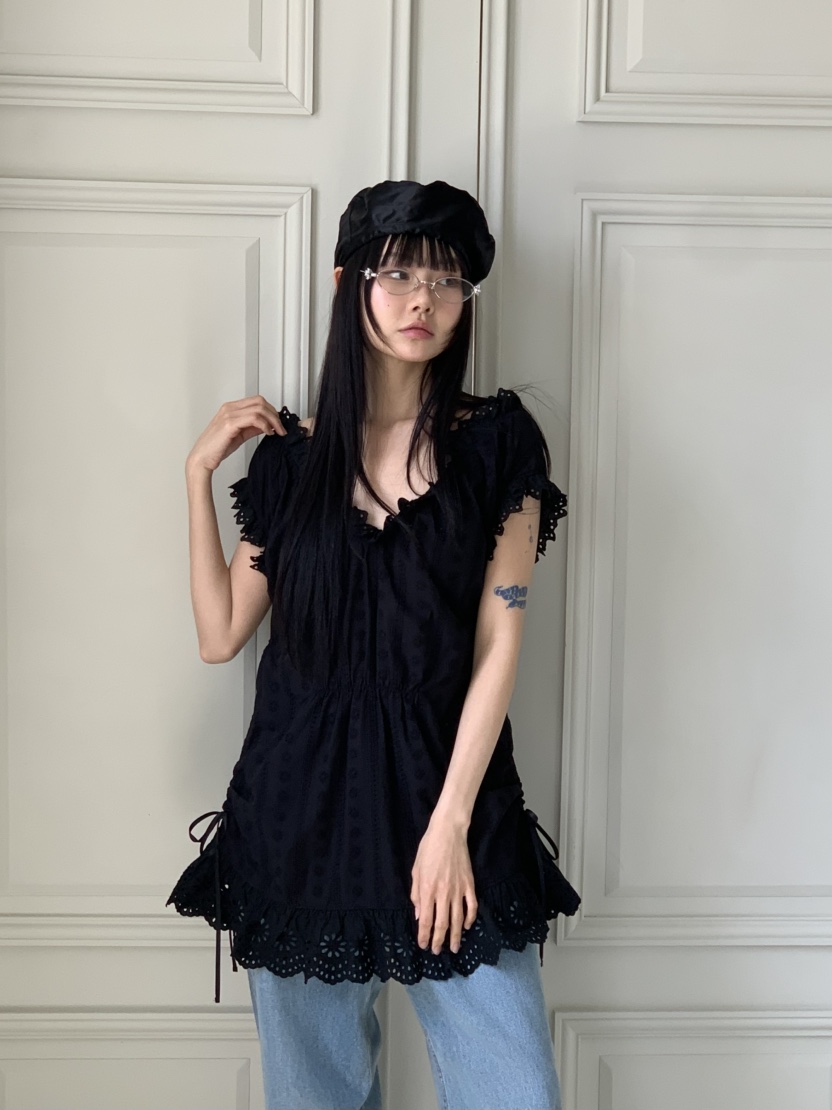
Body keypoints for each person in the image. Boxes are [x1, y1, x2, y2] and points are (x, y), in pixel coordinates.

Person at [166, 179, 581, 1110]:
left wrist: (450, 827)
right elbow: (220, 634)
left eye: (447, 280)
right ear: (350, 282)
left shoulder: (498, 446)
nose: (423, 299)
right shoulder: (291, 464)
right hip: (300, 817)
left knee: (515, 1090)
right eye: (398, 275)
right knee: (316, 1096)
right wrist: (197, 476)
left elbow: (499, 642)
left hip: (451, 807)